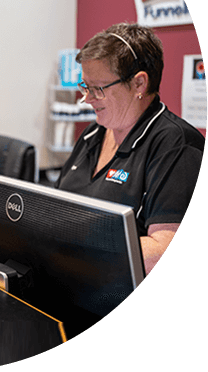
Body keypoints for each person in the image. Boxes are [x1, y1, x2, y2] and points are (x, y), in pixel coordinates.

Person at [56, 23, 204, 275]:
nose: (87, 99)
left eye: (98, 89)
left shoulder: (176, 145)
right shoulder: (93, 133)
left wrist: (73, 245)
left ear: (139, 84)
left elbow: (161, 250)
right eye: (85, 86)